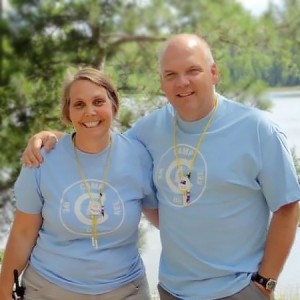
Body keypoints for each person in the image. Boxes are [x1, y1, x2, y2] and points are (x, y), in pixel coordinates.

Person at [19, 34, 300, 300]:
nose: (182, 83)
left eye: (193, 71)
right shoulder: (149, 130)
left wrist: (265, 282)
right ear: (162, 83)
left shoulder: (258, 128)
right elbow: (98, 142)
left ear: (214, 73)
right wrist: (53, 138)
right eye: (171, 75)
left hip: (239, 289)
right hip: (173, 290)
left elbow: (288, 206)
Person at [0, 67, 158, 300]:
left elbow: (166, 220)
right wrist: (4, 291)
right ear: (68, 112)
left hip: (126, 290)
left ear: (113, 104)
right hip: (48, 290)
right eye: (79, 104)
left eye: (98, 101)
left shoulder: (140, 157)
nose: (90, 112)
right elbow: (23, 233)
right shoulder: (41, 160)